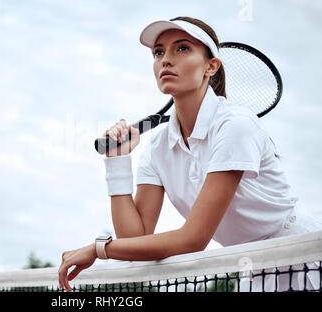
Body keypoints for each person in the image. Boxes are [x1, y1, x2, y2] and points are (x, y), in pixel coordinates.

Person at [57, 16, 322, 292]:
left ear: (211, 66)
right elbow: (135, 239)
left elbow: (193, 239)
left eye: (182, 48)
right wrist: (118, 162)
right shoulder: (158, 147)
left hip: (306, 254)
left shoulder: (235, 126)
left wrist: (99, 249)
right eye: (158, 52)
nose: (166, 60)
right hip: (253, 269)